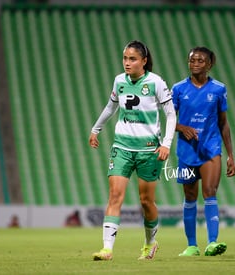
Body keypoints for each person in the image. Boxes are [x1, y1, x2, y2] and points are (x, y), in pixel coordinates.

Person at [89, 40, 176, 261]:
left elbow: (171, 114)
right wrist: (95, 129)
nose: (127, 63)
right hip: (121, 148)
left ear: (144, 61)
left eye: (132, 59)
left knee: (146, 201)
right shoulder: (119, 80)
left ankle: (150, 243)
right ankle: (107, 249)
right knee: (114, 196)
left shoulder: (156, 83)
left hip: (148, 150)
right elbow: (111, 106)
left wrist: (166, 143)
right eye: (125, 58)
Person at [172, 46, 235, 256]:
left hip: (211, 149)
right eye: (192, 60)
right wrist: (182, 128)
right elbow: (168, 120)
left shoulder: (218, 89)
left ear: (209, 64)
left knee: (210, 193)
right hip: (186, 151)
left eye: (200, 61)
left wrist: (231, 155)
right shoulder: (178, 89)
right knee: (190, 197)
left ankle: (212, 242)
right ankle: (192, 245)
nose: (195, 64)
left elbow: (223, 123)